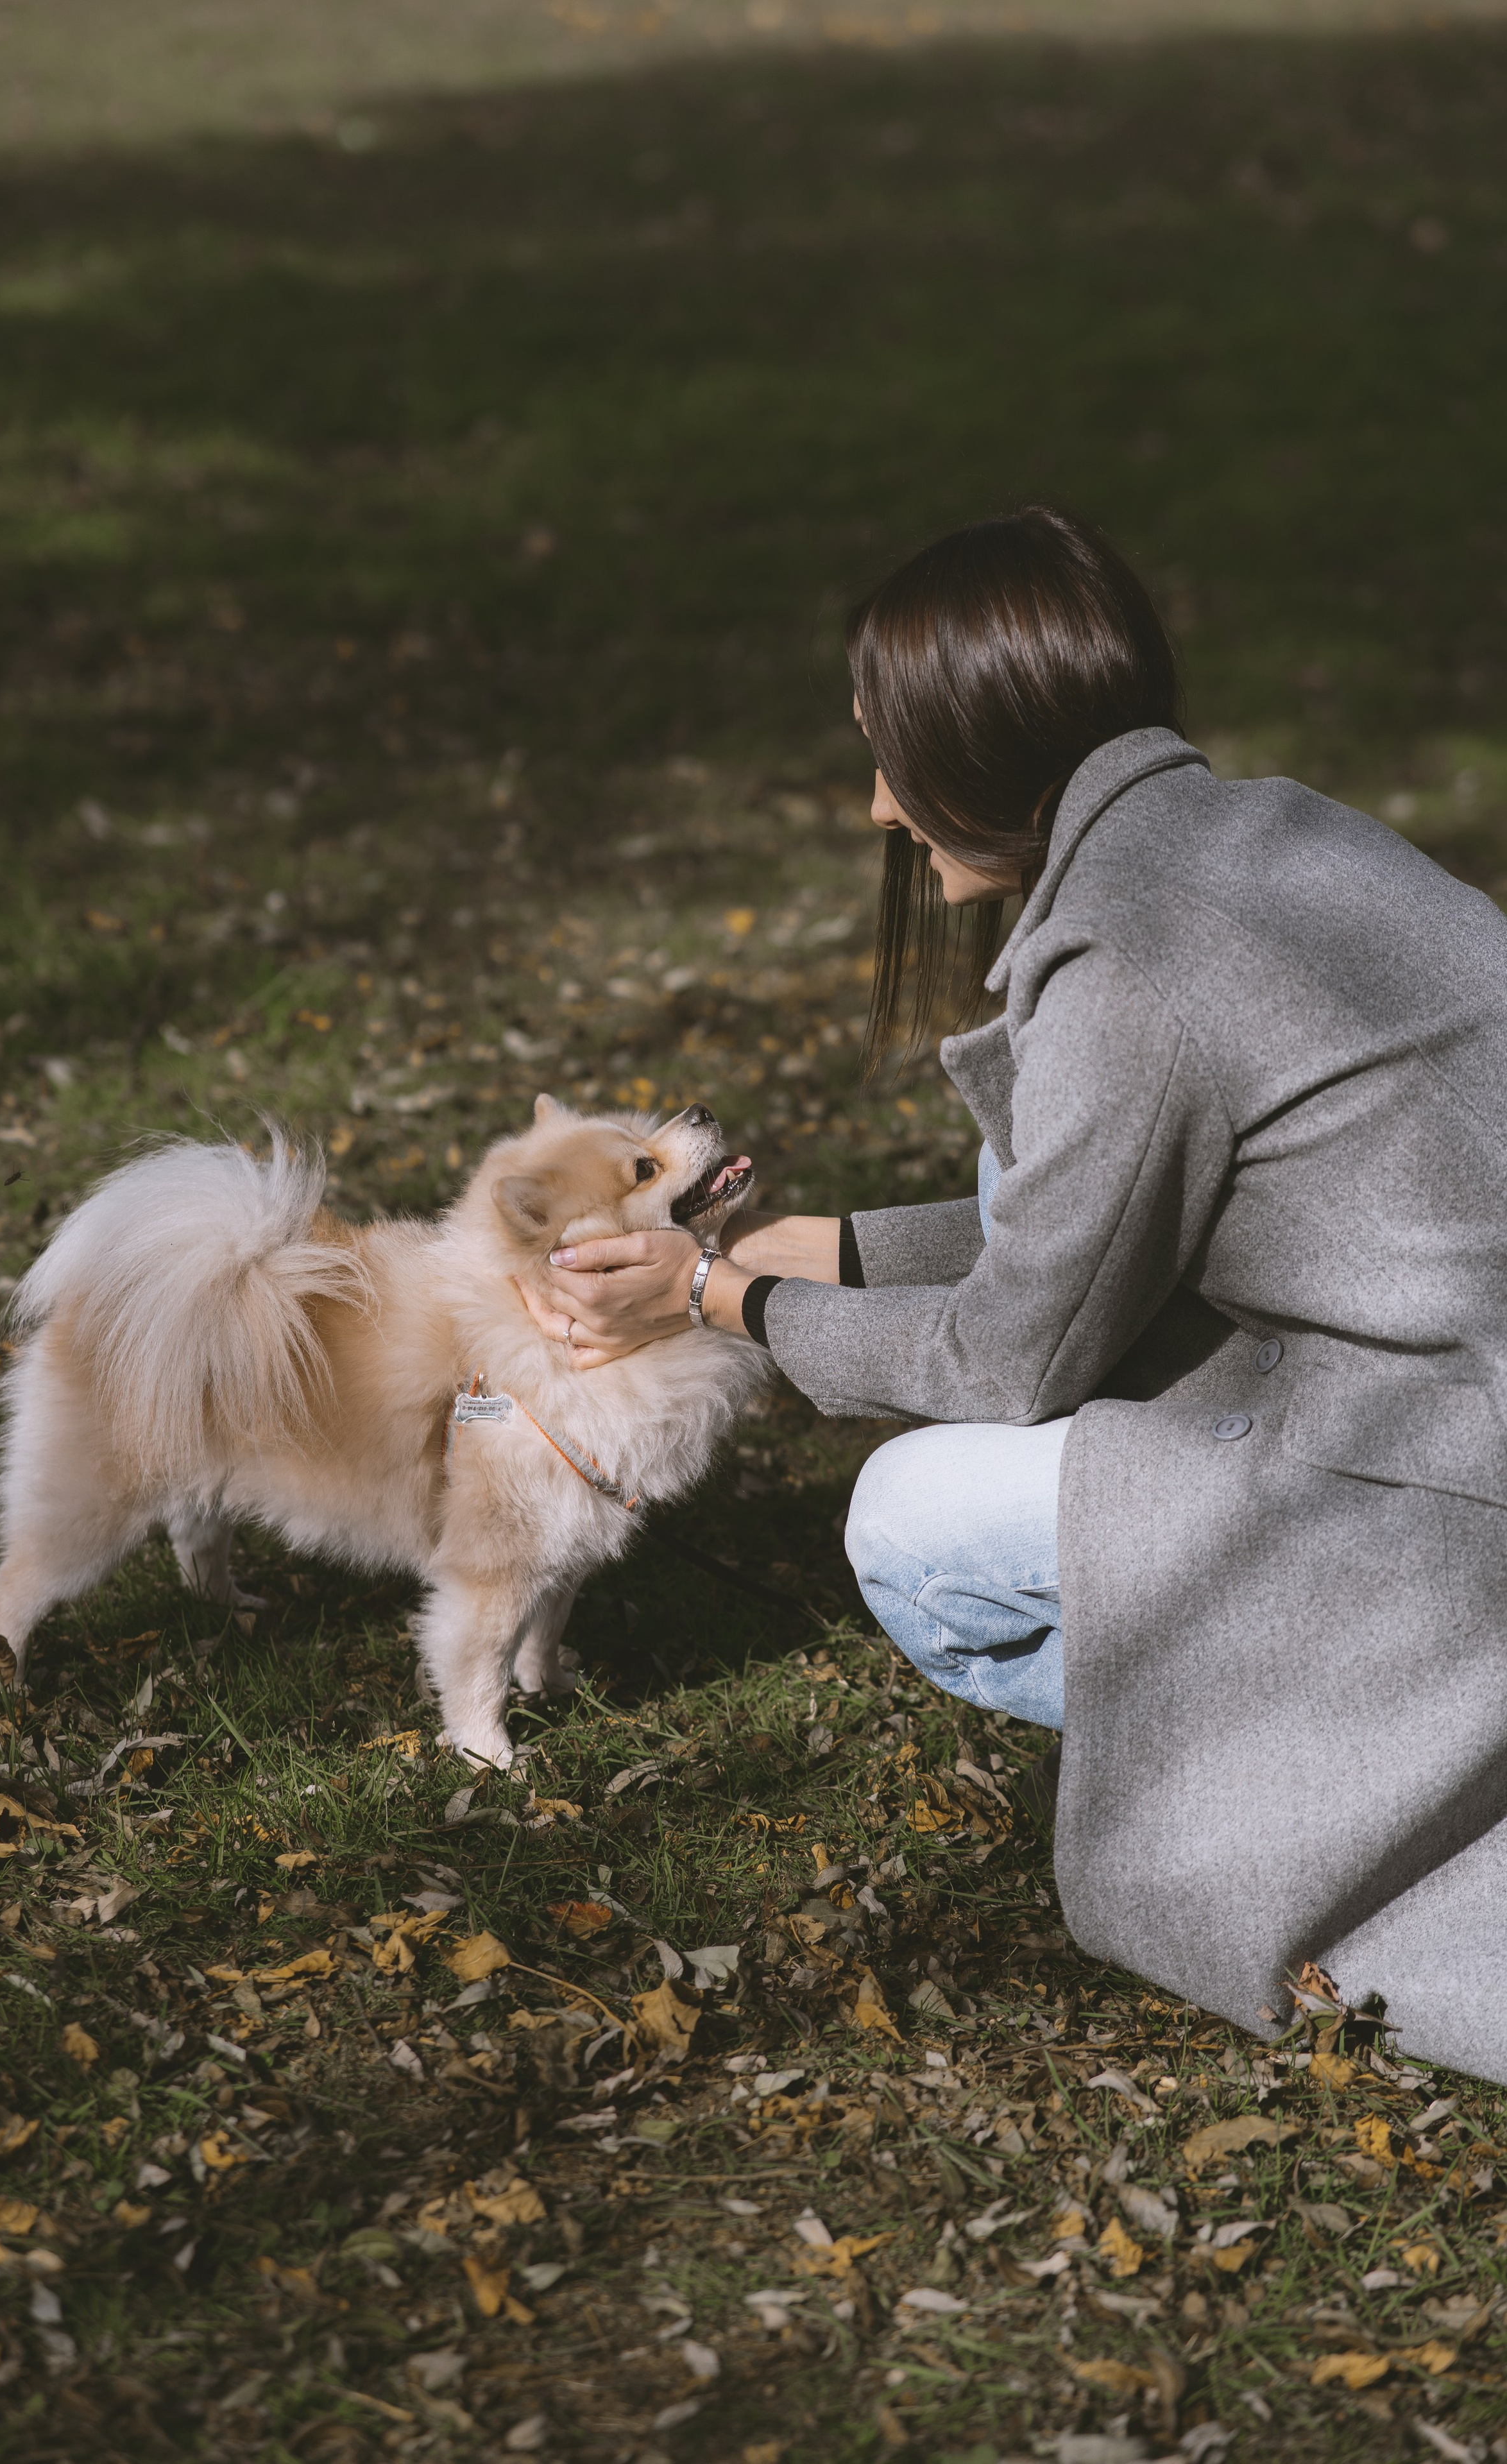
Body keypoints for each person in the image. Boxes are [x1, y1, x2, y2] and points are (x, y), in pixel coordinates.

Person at [525, 503, 1507, 2085]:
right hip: (1451, 1387)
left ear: (974, 754)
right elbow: (1114, 1209)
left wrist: (724, 1303)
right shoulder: (1277, 832)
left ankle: (1309, 1746)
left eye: (884, 758)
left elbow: (1007, 1360)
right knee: (1002, 1178)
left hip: (1452, 1504)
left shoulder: (1126, 963)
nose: (872, 806)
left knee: (911, 1527)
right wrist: (825, 1248)